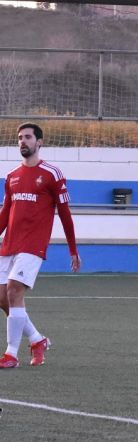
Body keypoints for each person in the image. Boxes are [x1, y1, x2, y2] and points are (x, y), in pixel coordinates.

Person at [0, 123, 81, 368]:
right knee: (3, 298)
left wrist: (73, 250)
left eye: (27, 137)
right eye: (19, 138)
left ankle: (11, 354)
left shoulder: (52, 174)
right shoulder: (12, 177)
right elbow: (5, 213)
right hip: (9, 244)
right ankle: (37, 340)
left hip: (33, 245)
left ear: (39, 142)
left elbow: (65, 214)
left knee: (14, 290)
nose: (22, 141)